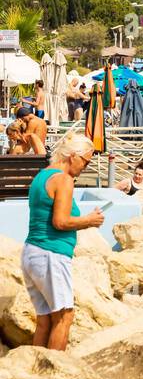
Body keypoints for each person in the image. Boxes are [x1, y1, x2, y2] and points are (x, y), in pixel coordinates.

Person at [20, 132, 105, 350]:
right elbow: (60, 221)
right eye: (86, 161)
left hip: (32, 252)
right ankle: (54, 374)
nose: (85, 167)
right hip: (51, 254)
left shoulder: (42, 176)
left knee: (45, 319)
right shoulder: (64, 179)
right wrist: (88, 220)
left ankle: (36, 372)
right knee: (64, 316)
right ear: (73, 156)